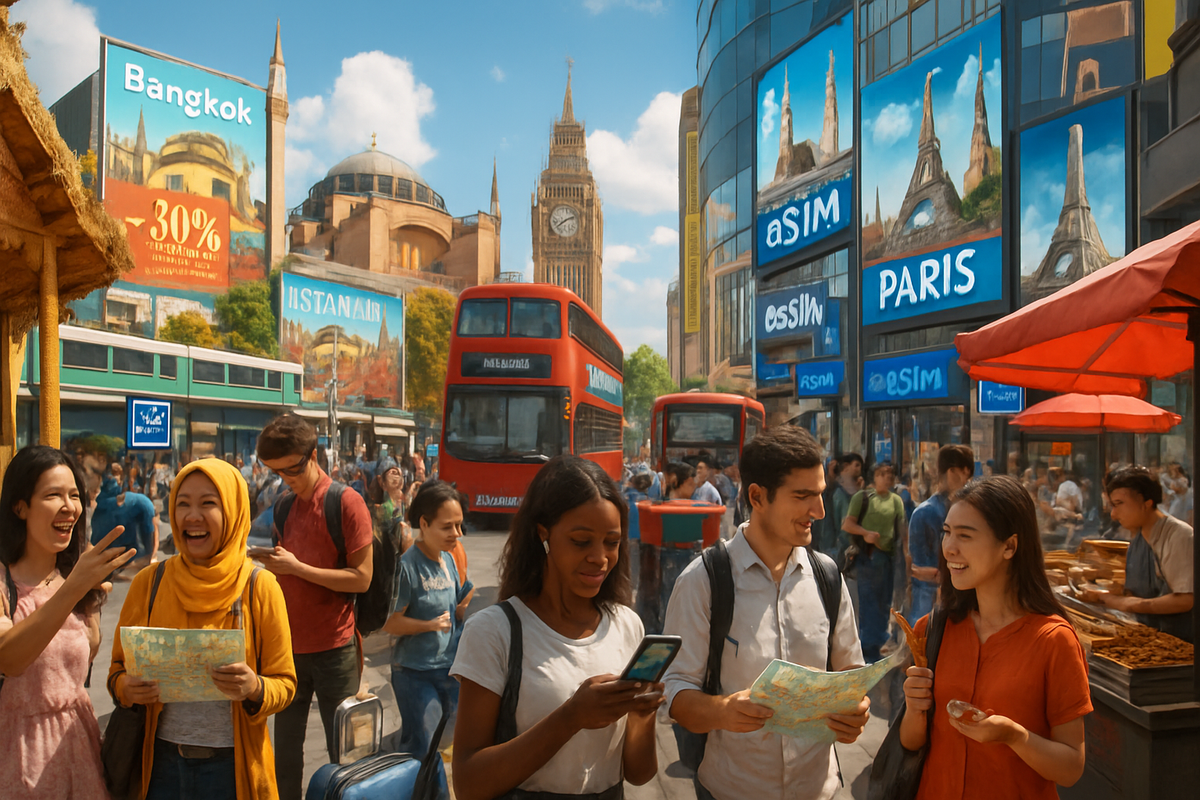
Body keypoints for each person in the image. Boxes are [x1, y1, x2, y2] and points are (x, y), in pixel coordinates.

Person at [663, 425, 868, 800]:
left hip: (819, 788)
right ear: (757, 496)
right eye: (803, 496)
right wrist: (722, 710)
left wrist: (856, 711)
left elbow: (850, 673)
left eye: (820, 494)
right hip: (731, 789)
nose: (819, 511)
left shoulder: (826, 576)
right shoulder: (704, 581)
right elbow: (676, 693)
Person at [450, 456, 662, 799]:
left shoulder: (627, 626)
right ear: (543, 534)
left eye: (612, 541)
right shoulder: (494, 631)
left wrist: (642, 716)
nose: (600, 557)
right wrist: (571, 717)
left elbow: (639, 774)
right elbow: (468, 783)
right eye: (581, 541)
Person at [109, 457, 296, 800]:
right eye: (182, 504)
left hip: (230, 769)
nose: (192, 516)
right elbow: (117, 672)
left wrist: (254, 687)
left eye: (208, 503)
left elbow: (285, 684)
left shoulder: (260, 586)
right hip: (160, 765)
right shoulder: (149, 583)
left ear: (234, 511)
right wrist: (127, 689)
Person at [900, 476, 1091, 798]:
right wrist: (913, 707)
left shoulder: (1053, 640)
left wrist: (1015, 736)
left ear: (1010, 546)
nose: (949, 547)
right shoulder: (932, 630)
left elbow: (1071, 768)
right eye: (947, 532)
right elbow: (911, 742)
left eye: (965, 535)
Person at [0, 446, 136, 800]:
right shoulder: (5, 583)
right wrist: (74, 587)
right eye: (52, 495)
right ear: (20, 507)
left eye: (74, 494)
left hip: (80, 756)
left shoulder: (82, 583)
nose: (69, 506)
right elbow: (9, 659)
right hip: (17, 761)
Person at [253, 414, 373, 800]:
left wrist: (297, 568)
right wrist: (268, 564)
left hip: (335, 649)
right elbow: (287, 570)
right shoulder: (285, 506)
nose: (286, 478)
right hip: (288, 649)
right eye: (276, 472)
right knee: (285, 752)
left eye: (293, 469)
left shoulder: (346, 502)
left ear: (314, 454)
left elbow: (362, 578)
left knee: (346, 754)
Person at [384, 482, 473, 763]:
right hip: (414, 672)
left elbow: (457, 602)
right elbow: (391, 623)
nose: (456, 534)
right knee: (424, 747)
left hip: (449, 670)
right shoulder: (407, 567)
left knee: (451, 742)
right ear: (424, 523)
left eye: (459, 525)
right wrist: (429, 625)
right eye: (447, 527)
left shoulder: (448, 559)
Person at [1088, 467, 1193, 642]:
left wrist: (1125, 603)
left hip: (1180, 644)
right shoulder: (1138, 536)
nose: (1113, 514)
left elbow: (1185, 600)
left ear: (1147, 502)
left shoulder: (1179, 536)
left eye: (1119, 504)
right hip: (1147, 638)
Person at [842, 461, 906, 661]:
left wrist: (906, 555)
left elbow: (901, 530)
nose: (887, 477)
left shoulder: (896, 500)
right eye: (883, 474)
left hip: (886, 557)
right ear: (875, 477)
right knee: (869, 600)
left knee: (884, 601)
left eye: (890, 474)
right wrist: (866, 533)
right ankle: (868, 647)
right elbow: (848, 524)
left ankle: (877, 643)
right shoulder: (862, 497)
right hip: (868, 556)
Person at [906, 445, 974, 624]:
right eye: (965, 474)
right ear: (953, 471)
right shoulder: (927, 512)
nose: (967, 481)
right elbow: (918, 567)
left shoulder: (963, 509)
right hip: (929, 600)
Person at [113, 485, 160, 576]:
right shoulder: (123, 503)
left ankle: (149, 558)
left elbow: (153, 533)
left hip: (141, 509)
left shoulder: (146, 508)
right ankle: (136, 559)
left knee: (147, 535)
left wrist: (153, 554)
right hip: (134, 512)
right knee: (133, 536)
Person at [371, 457, 413, 554]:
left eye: (399, 474)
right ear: (381, 481)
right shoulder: (381, 507)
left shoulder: (402, 503)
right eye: (393, 474)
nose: (397, 477)